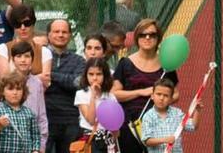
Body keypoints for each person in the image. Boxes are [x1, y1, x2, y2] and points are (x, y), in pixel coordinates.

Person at [111, 19, 178, 153]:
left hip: (159, 124)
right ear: (137, 37)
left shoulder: (166, 65)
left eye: (152, 34)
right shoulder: (125, 63)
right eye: (143, 34)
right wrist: (142, 92)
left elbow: (175, 94)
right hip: (130, 126)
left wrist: (161, 97)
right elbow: (115, 94)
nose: (147, 37)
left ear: (158, 38)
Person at [44, 19, 86, 153]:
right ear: (48, 35)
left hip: (71, 119)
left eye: (64, 32)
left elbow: (79, 83)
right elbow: (39, 82)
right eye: (56, 31)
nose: (61, 35)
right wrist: (66, 80)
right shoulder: (40, 57)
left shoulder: (79, 60)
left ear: (70, 35)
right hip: (45, 118)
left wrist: (51, 75)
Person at [140, 79, 200, 153]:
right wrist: (165, 140)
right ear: (152, 96)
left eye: (166, 96)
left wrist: (197, 111)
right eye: (158, 94)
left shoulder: (177, 113)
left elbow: (193, 126)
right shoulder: (148, 116)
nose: (161, 98)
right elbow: (147, 141)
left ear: (171, 99)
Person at [0, 4, 51, 83]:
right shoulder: (3, 48)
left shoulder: (44, 51)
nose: (23, 28)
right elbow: (5, 79)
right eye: (17, 24)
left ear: (33, 24)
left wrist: (15, 78)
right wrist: (36, 78)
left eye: (27, 23)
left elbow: (45, 81)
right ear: (13, 26)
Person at [8, 41, 48, 151]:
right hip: (11, 141)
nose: (23, 60)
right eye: (19, 56)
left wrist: (41, 145)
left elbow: (41, 116)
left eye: (27, 56)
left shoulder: (37, 83)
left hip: (32, 140)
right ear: (13, 59)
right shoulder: (6, 82)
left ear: (32, 59)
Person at [0, 72, 40, 153]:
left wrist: (35, 150)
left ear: (24, 91)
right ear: (2, 91)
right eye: (10, 89)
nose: (15, 93)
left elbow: (35, 135)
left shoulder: (29, 113)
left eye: (18, 89)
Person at [74, 58, 118, 153]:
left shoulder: (111, 97)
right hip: (89, 139)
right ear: (86, 75)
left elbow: (116, 128)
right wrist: (93, 96)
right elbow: (90, 120)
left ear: (105, 76)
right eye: (91, 74)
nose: (94, 78)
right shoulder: (81, 94)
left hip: (107, 140)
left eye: (98, 74)